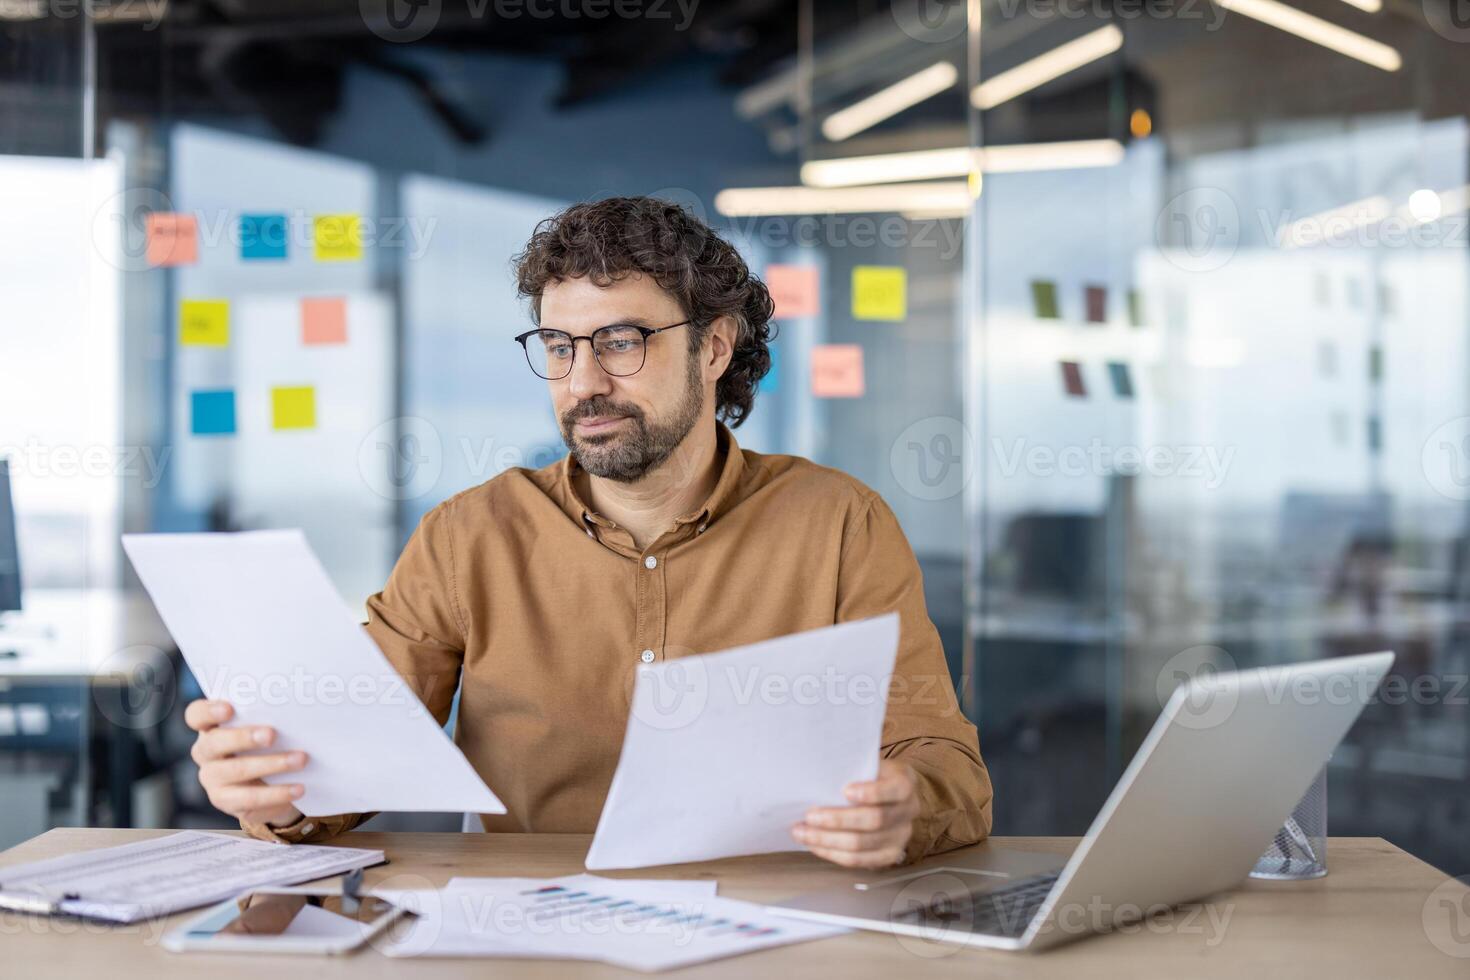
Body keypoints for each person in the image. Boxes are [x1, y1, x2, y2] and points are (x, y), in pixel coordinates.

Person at [184, 196, 992, 868]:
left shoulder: (840, 523)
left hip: (768, 926)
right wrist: (277, 787)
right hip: (526, 934)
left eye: (620, 342)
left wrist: (903, 803)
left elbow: (945, 763)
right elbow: (343, 760)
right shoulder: (470, 536)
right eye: (561, 346)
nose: (584, 383)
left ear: (714, 346)